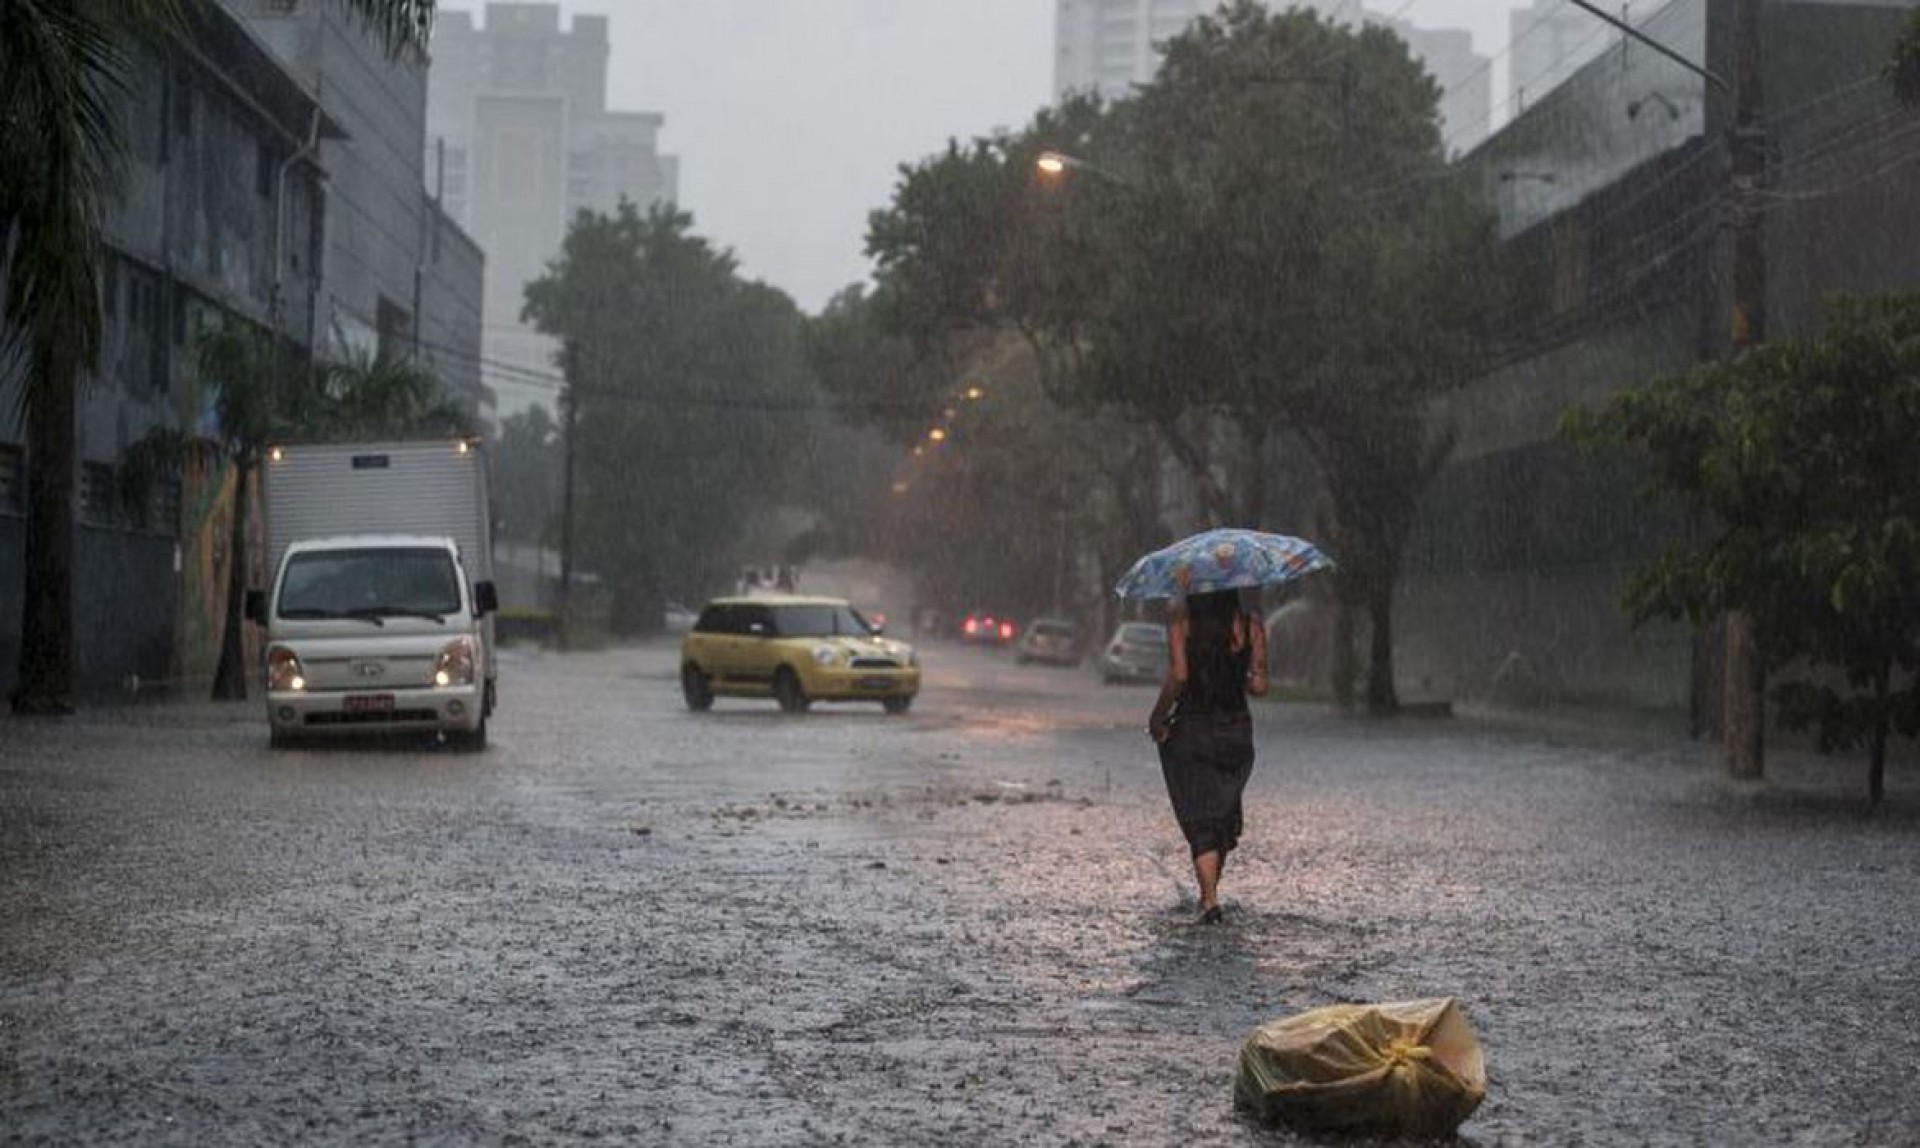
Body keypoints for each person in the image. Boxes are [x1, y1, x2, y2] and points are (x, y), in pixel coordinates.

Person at [1147, 587, 1269, 924]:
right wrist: (1232, 672)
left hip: (1193, 729)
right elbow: (1259, 686)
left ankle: (1209, 900)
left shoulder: (1181, 622)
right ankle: (1209, 894)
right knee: (1221, 814)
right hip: (1236, 731)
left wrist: (1157, 718)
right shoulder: (1250, 625)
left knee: (1199, 815)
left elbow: (1180, 677)